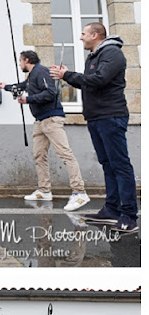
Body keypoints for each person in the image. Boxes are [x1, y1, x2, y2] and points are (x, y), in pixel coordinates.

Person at [50, 23, 138, 233]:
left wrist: (68, 76)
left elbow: (100, 80)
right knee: (107, 164)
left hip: (111, 116)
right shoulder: (95, 55)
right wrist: (68, 76)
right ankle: (112, 209)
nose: (81, 38)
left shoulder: (112, 53)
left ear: (95, 35)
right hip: (97, 117)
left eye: (83, 34)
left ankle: (129, 215)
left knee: (120, 165)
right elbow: (89, 82)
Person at [0, 50, 90, 211]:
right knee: (39, 155)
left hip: (52, 119)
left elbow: (51, 93)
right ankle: (44, 190)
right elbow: (23, 86)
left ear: (27, 60)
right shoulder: (32, 75)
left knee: (65, 153)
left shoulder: (41, 71)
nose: (20, 64)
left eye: (20, 61)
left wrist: (28, 99)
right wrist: (5, 87)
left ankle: (79, 192)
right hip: (40, 120)